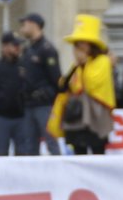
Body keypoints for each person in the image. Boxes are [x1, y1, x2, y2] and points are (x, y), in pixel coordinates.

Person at [47, 15, 115, 155]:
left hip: (96, 114)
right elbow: (64, 86)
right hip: (77, 115)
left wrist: (83, 65)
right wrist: (75, 67)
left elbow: (92, 84)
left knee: (97, 151)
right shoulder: (77, 65)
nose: (78, 48)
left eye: (82, 44)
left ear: (91, 45)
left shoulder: (102, 61)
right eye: (76, 45)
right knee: (78, 151)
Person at [18, 13, 63, 155]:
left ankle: (59, 172)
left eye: (24, 24)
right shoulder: (28, 49)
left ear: (34, 25)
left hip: (44, 104)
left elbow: (56, 78)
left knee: (51, 142)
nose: (22, 28)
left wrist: (47, 95)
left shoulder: (47, 49)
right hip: (29, 104)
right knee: (29, 145)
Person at [0, 32, 35, 156]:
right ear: (5, 47)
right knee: (1, 153)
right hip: (1, 117)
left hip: (21, 117)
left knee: (23, 154)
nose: (18, 48)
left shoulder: (25, 66)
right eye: (15, 45)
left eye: (19, 45)